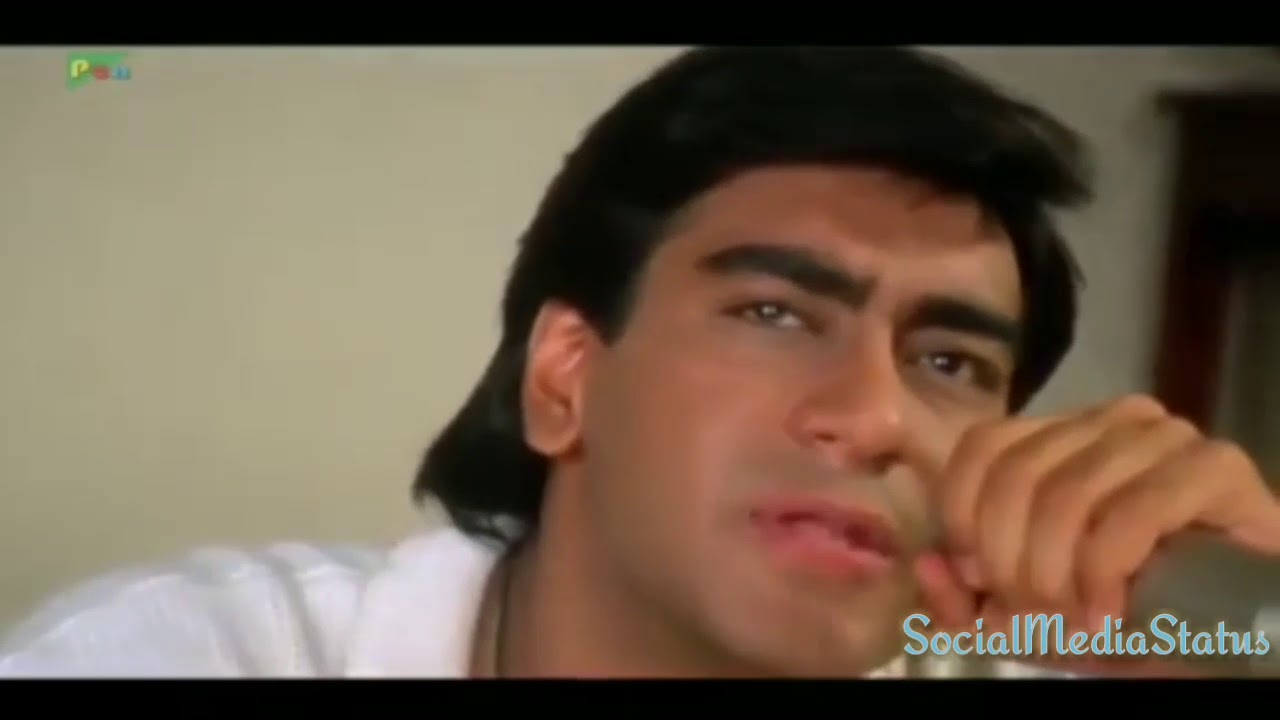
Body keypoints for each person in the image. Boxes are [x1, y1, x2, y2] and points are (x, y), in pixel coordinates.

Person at [2, 46, 1278, 679]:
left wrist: (1236, 636)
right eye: (774, 312)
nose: (875, 415)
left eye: (947, 361)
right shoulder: (185, 652)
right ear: (564, 379)